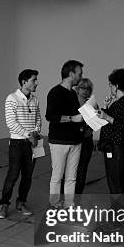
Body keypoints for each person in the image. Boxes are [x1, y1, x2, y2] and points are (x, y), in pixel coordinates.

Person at [0, 69, 42, 219]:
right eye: (33, 80)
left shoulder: (35, 100)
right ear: (24, 82)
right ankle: (4, 204)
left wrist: (35, 132)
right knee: (13, 175)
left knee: (28, 176)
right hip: (17, 144)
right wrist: (28, 135)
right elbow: (11, 122)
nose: (36, 83)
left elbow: (39, 120)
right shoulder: (12, 99)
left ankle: (21, 202)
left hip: (33, 143)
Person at [46, 60, 85, 208]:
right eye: (79, 74)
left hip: (75, 141)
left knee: (71, 178)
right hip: (59, 141)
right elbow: (50, 116)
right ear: (71, 74)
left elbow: (77, 115)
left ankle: (69, 204)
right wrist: (71, 118)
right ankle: (55, 204)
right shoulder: (55, 92)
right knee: (57, 176)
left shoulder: (73, 93)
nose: (81, 77)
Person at [96, 67, 124, 194]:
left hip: (117, 148)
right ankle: (117, 211)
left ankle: (118, 212)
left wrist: (107, 116)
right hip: (112, 148)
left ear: (117, 85)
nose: (110, 87)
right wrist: (106, 107)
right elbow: (110, 120)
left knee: (116, 184)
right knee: (113, 182)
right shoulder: (119, 103)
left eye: (111, 85)